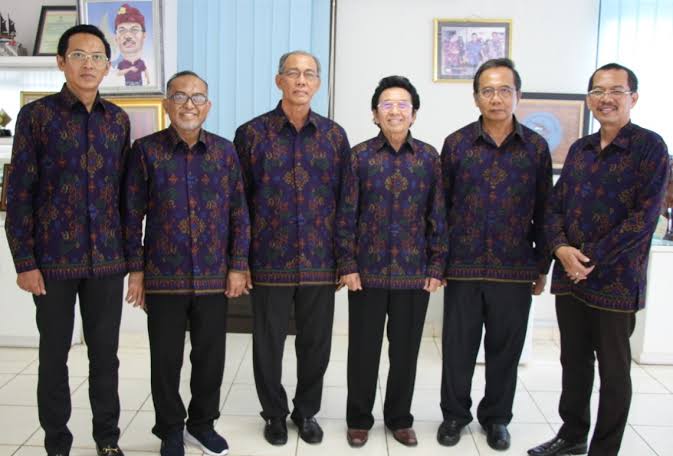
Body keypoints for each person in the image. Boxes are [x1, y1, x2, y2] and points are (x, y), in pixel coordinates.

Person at [529, 63, 670, 456]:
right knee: (573, 362)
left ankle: (604, 449)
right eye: (598, 91)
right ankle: (572, 436)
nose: (606, 99)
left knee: (613, 371)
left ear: (633, 98)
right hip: (570, 278)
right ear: (589, 98)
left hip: (616, 281)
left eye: (616, 91)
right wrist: (560, 249)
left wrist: (589, 260)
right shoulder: (580, 149)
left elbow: (645, 218)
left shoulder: (650, 147)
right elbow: (554, 206)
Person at [4, 24, 130, 456]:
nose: (88, 64)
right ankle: (57, 442)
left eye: (97, 57)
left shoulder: (117, 121)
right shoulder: (37, 116)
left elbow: (124, 195)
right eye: (78, 55)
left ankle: (107, 439)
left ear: (107, 67)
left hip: (106, 260)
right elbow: (19, 193)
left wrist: (130, 258)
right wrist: (24, 262)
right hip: (53, 261)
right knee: (54, 355)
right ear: (61, 62)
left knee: (105, 356)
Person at [123, 70, 250, 456]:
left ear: (208, 106)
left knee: (210, 357)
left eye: (197, 98)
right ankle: (170, 430)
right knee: (166, 360)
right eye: (180, 97)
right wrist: (136, 272)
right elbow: (131, 215)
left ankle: (202, 424)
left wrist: (237, 266)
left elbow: (239, 212)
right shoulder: (145, 151)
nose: (189, 105)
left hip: (214, 276)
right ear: (167, 105)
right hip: (163, 276)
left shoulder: (225, 152)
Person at [233, 50, 351, 446]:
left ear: (318, 83)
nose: (301, 80)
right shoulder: (251, 134)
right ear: (278, 80)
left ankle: (306, 411)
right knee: (268, 343)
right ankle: (274, 414)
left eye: (309, 74)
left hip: (320, 259)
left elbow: (346, 201)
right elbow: (238, 203)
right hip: (269, 259)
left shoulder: (334, 136)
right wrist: (240, 260)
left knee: (316, 343)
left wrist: (344, 258)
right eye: (293, 73)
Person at [438, 58, 553, 451]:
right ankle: (454, 415)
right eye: (487, 91)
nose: (496, 98)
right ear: (476, 98)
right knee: (458, 349)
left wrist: (542, 265)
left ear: (518, 95)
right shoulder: (456, 144)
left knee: (505, 351)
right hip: (463, 266)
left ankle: (497, 418)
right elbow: (441, 207)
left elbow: (545, 208)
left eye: (505, 90)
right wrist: (440, 261)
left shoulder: (535, 147)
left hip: (515, 267)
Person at [336, 76, 447, 448]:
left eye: (403, 105)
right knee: (362, 352)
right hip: (365, 274)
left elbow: (438, 215)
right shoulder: (359, 156)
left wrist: (436, 266)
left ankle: (399, 419)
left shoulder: (429, 158)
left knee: (405, 353)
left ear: (413, 114)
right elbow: (346, 215)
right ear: (375, 114)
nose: (395, 111)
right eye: (387, 104)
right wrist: (347, 265)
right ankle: (358, 420)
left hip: (414, 274)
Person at [113, 3, 149, 86]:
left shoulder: (143, 63)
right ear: (116, 37)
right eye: (122, 30)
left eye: (134, 30)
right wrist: (129, 69)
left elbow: (146, 73)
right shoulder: (118, 65)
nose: (128, 36)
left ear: (144, 35)